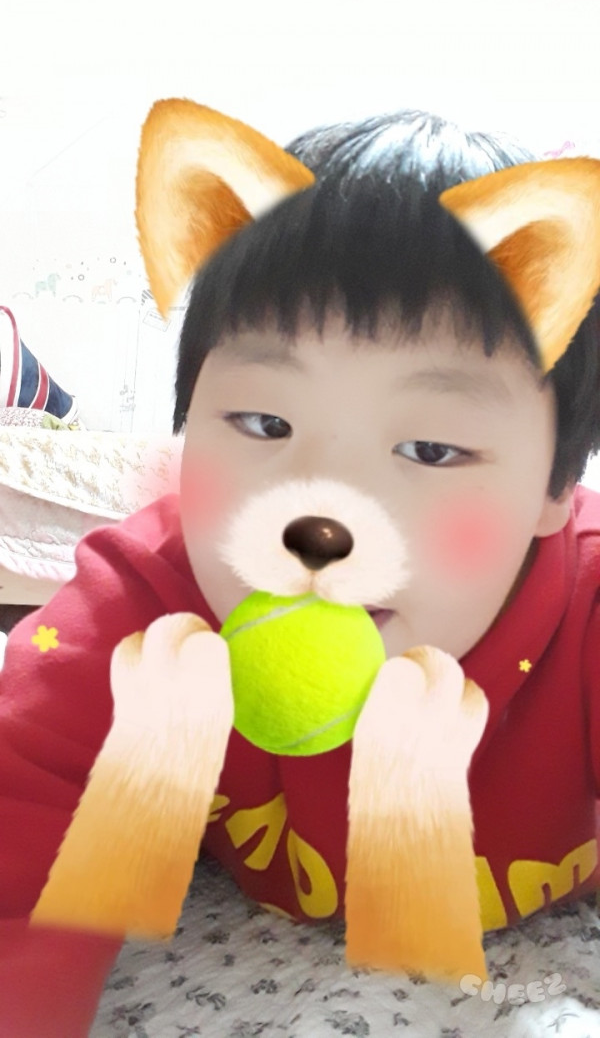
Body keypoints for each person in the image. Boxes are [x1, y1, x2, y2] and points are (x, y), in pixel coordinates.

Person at [1, 102, 599, 1035]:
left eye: (431, 449)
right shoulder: (146, 608)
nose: (320, 510)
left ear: (554, 488)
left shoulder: (587, 614)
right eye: (264, 423)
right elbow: (21, 838)